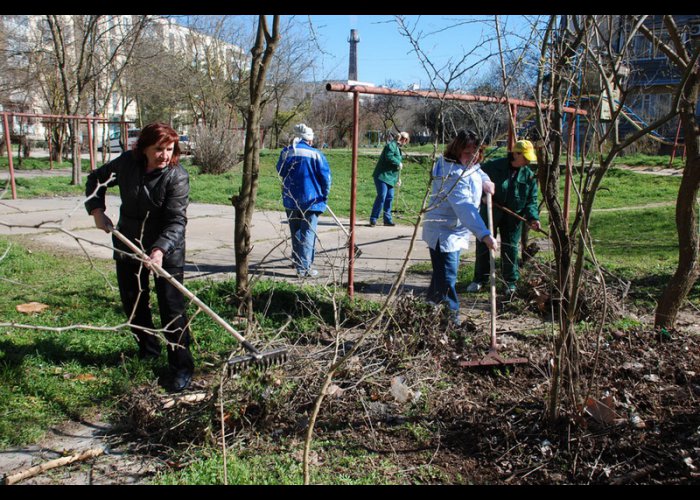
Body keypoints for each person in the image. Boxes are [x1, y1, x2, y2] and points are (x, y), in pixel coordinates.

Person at [85, 122, 194, 392]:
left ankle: (181, 366)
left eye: (169, 149)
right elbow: (95, 179)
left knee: (172, 308)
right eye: (158, 149)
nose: (165, 155)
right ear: (144, 148)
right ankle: (148, 351)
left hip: (167, 248)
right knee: (134, 303)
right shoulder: (126, 164)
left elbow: (176, 221)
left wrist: (159, 250)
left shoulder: (176, 176)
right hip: (128, 241)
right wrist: (97, 210)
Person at [422, 130, 498, 326]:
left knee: (443, 274)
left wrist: (485, 180)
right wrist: (484, 234)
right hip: (443, 231)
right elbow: (464, 207)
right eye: (467, 152)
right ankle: (451, 321)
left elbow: (477, 170)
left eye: (475, 153)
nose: (472, 157)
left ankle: (426, 311)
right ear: (456, 150)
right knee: (448, 277)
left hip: (454, 231)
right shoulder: (451, 173)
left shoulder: (467, 164)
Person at [467, 139, 541, 295]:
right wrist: (482, 197)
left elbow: (531, 200)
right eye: (525, 157)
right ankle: (480, 279)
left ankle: (510, 283)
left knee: (511, 248)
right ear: (515, 153)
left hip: (513, 217)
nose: (528, 161)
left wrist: (533, 218)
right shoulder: (493, 167)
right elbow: (474, 180)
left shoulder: (528, 175)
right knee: (484, 244)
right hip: (491, 211)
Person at [276, 123, 332, 278]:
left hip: (291, 199)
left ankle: (297, 259)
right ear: (309, 139)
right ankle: (304, 268)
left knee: (295, 231)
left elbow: (280, 171)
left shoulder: (287, 152)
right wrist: (324, 195)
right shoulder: (316, 155)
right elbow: (326, 178)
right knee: (308, 233)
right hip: (311, 200)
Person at [369, 131, 409, 227]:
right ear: (403, 139)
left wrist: (397, 179)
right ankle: (373, 218)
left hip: (391, 178)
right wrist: (398, 163)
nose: (406, 142)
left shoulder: (397, 148)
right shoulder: (391, 145)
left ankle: (387, 220)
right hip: (382, 176)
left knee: (389, 197)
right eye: (406, 140)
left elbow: (396, 167)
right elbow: (389, 157)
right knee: (382, 196)